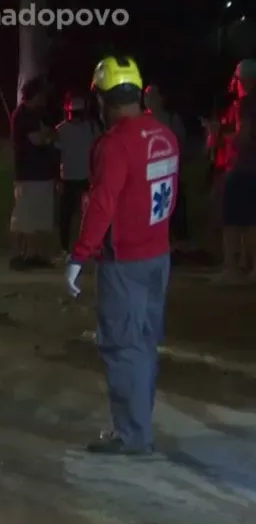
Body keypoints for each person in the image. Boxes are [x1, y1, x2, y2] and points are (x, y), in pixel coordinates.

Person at [64, 56, 178, 456]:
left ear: (103, 99)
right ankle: (138, 425)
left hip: (125, 261)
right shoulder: (164, 134)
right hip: (158, 256)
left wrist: (79, 255)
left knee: (122, 345)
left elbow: (102, 205)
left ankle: (132, 436)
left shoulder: (114, 144)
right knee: (144, 343)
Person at [209, 60, 256, 282]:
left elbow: (244, 137)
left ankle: (231, 268)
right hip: (251, 167)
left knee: (233, 221)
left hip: (242, 166)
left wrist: (220, 134)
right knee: (250, 221)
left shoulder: (247, 104)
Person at [9, 77, 59, 270]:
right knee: (23, 218)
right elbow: (37, 139)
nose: (45, 98)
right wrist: (48, 135)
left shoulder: (38, 114)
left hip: (43, 174)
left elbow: (52, 134)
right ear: (35, 94)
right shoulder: (23, 115)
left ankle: (35, 255)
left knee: (40, 217)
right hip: (28, 174)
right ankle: (17, 255)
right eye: (42, 94)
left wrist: (48, 135)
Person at [144, 86, 191, 252]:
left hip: (170, 172)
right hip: (149, 175)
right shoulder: (141, 120)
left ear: (162, 99)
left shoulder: (171, 118)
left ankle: (175, 244)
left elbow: (181, 143)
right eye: (147, 96)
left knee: (172, 207)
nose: (149, 99)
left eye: (153, 96)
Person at [54, 92, 100, 258]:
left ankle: (90, 246)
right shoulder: (61, 129)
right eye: (74, 113)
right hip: (68, 177)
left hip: (87, 177)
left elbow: (97, 151)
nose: (76, 117)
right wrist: (58, 178)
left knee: (89, 214)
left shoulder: (91, 127)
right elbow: (56, 155)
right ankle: (65, 248)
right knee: (66, 215)